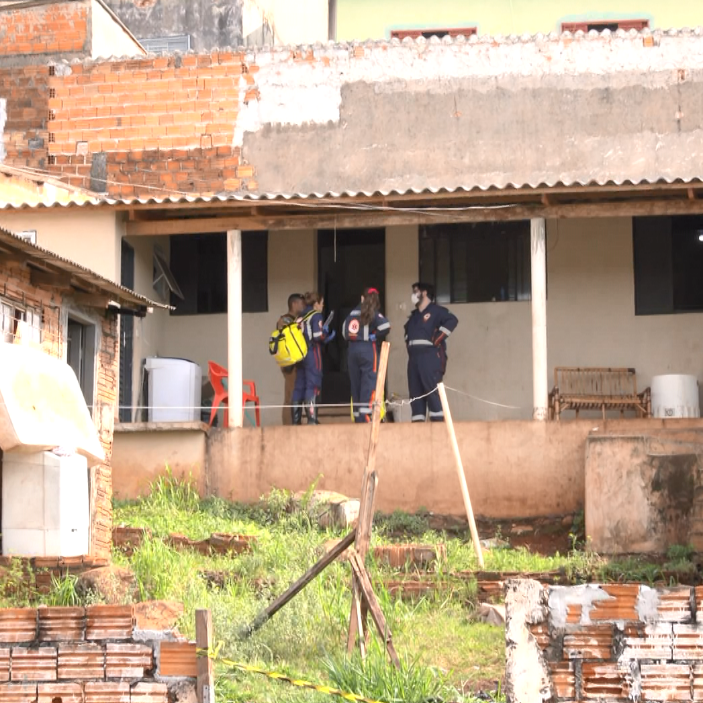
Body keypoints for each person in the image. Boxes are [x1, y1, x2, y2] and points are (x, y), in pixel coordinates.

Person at [404, 282, 458, 422]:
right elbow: (407, 333)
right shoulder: (414, 316)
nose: (413, 295)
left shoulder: (436, 311)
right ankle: (418, 429)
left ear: (424, 293)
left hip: (430, 358)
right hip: (414, 360)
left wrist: (437, 339)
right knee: (415, 395)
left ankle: (438, 429)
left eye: (416, 291)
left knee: (432, 393)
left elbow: (452, 320)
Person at [343, 288, 391, 423]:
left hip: (352, 350)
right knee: (368, 382)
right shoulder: (373, 312)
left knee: (355, 383)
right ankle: (366, 416)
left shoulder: (352, 312)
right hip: (367, 349)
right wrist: (374, 335)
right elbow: (386, 326)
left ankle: (358, 416)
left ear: (362, 298)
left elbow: (343, 331)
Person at [291, 291, 335, 425]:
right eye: (321, 303)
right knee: (312, 383)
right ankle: (312, 419)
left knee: (299, 385)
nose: (323, 306)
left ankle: (296, 421)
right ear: (316, 304)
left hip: (299, 354)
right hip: (312, 352)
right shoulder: (316, 315)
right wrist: (327, 335)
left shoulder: (300, 316)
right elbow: (317, 336)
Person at [277, 293, 305, 426]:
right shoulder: (285, 321)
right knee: (290, 396)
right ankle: (287, 426)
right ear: (294, 304)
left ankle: (295, 422)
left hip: (296, 362)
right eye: (301, 303)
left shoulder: (296, 319)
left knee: (296, 395)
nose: (303, 305)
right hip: (290, 364)